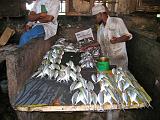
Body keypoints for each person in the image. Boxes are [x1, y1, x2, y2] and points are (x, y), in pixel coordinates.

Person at [92, 4, 132, 70]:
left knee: (120, 79)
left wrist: (117, 40)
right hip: (106, 61)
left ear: (100, 14)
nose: (94, 19)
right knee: (107, 78)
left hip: (119, 60)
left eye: (95, 16)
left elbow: (128, 36)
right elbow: (99, 42)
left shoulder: (117, 21)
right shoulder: (100, 28)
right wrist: (88, 46)